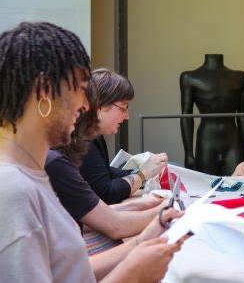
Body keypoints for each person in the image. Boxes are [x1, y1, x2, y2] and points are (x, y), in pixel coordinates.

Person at [0, 22, 183, 282]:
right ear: (43, 92)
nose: (86, 105)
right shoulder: (13, 191)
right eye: (80, 90)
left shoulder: (31, 174)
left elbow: (67, 273)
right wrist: (133, 274)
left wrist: (142, 241)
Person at [45, 77, 166, 243]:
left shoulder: (55, 158)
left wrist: (147, 201)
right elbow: (109, 205)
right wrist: (165, 211)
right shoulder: (57, 158)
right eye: (123, 108)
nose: (82, 112)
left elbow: (90, 213)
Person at [79, 69, 168, 205]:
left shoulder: (92, 135)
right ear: (100, 105)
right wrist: (142, 174)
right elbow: (106, 193)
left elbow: (104, 172)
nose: (127, 116)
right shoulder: (82, 139)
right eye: (123, 107)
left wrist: (144, 171)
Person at [180, 54, 244, 175]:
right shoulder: (189, 78)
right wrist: (188, 153)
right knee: (205, 185)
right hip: (207, 141)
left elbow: (243, 113)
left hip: (232, 140)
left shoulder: (240, 77)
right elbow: (186, 116)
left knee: (237, 184)